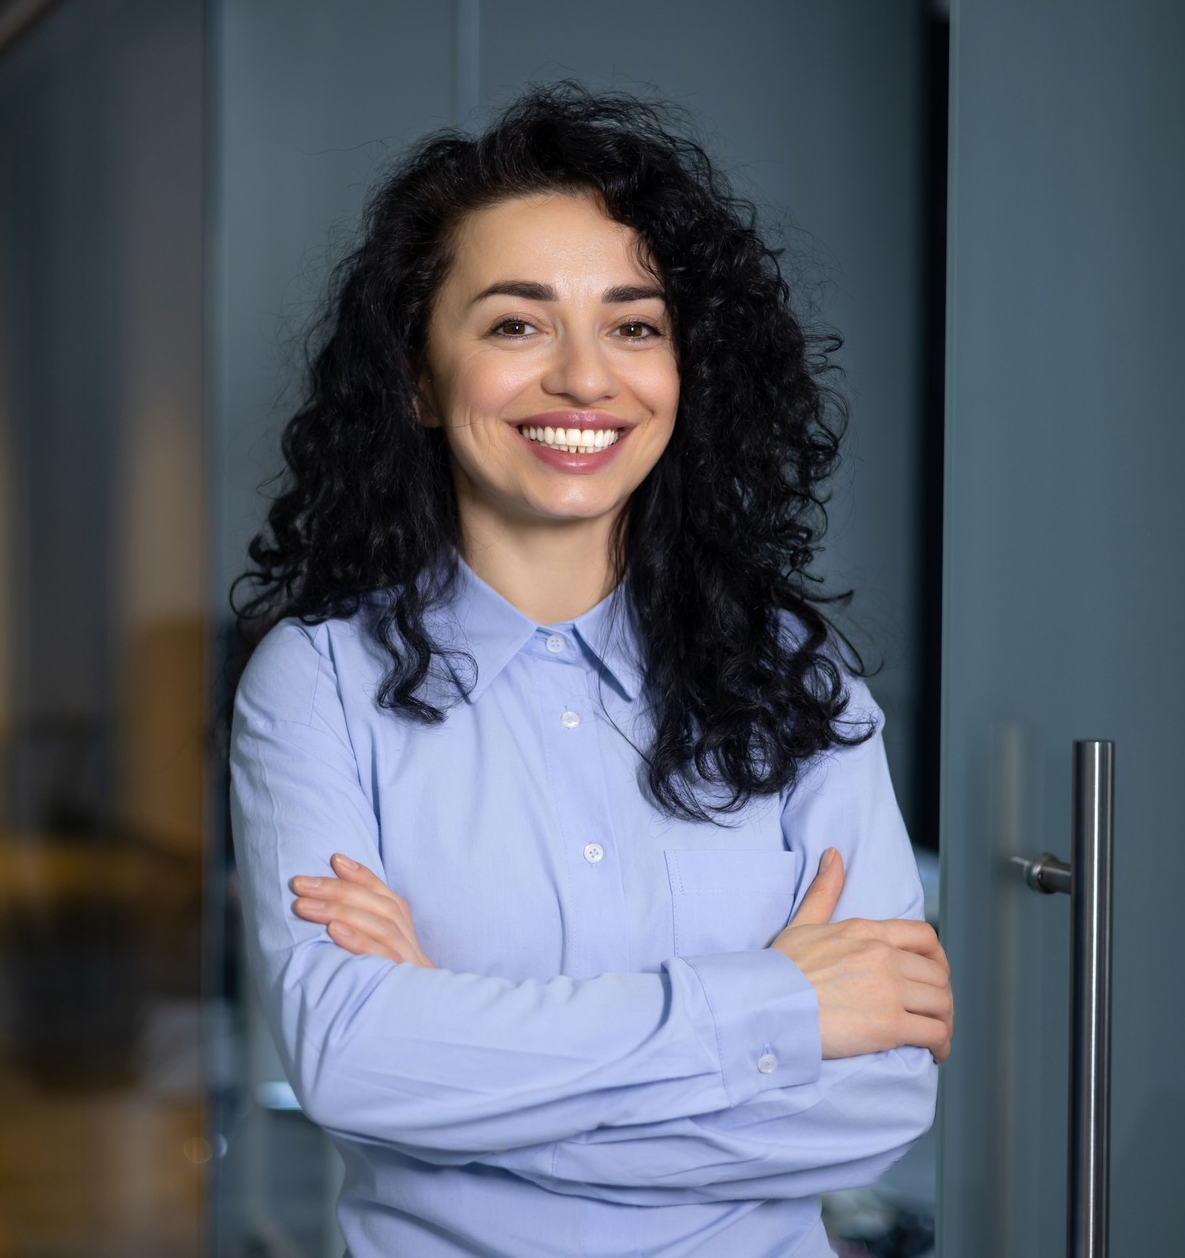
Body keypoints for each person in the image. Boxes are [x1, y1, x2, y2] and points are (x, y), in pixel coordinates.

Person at [227, 83, 952, 1258]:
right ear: (417, 376)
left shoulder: (792, 670)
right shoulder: (317, 686)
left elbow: (879, 1103)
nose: (584, 377)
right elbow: (353, 1065)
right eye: (516, 324)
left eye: (634, 324)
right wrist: (773, 1006)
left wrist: (460, 1079)